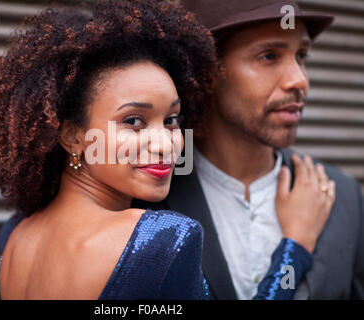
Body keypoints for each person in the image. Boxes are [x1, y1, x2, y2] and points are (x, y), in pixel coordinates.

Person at [0, 0, 333, 300]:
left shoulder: (17, 235)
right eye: (134, 121)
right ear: (72, 137)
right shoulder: (162, 239)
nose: (166, 144)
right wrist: (295, 246)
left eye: (171, 119)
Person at [134, 0, 364, 299]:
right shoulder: (145, 200)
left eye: (302, 56)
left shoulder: (344, 196)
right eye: (268, 56)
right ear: (206, 73)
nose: (300, 80)